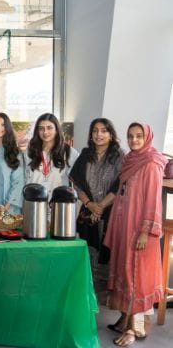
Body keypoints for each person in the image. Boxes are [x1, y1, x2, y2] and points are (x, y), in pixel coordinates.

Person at [103, 124, 166, 347]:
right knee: (124, 269)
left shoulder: (151, 163)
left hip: (139, 231)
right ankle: (125, 316)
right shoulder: (130, 159)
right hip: (124, 226)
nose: (134, 140)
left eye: (139, 136)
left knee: (136, 277)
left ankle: (134, 327)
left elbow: (153, 200)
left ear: (147, 137)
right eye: (131, 136)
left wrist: (145, 232)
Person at [71, 118, 124, 300]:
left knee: (104, 254)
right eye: (95, 131)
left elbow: (121, 185)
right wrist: (90, 205)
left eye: (103, 131)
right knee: (87, 254)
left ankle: (101, 297)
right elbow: (76, 182)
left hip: (109, 214)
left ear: (111, 134)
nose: (98, 134)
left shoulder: (118, 156)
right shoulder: (85, 154)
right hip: (87, 211)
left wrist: (100, 207)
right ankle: (86, 294)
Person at [25, 113, 79, 197]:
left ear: (56, 129)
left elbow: (77, 181)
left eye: (49, 128)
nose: (45, 132)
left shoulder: (69, 152)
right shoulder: (30, 152)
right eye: (41, 128)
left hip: (59, 203)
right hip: (34, 203)